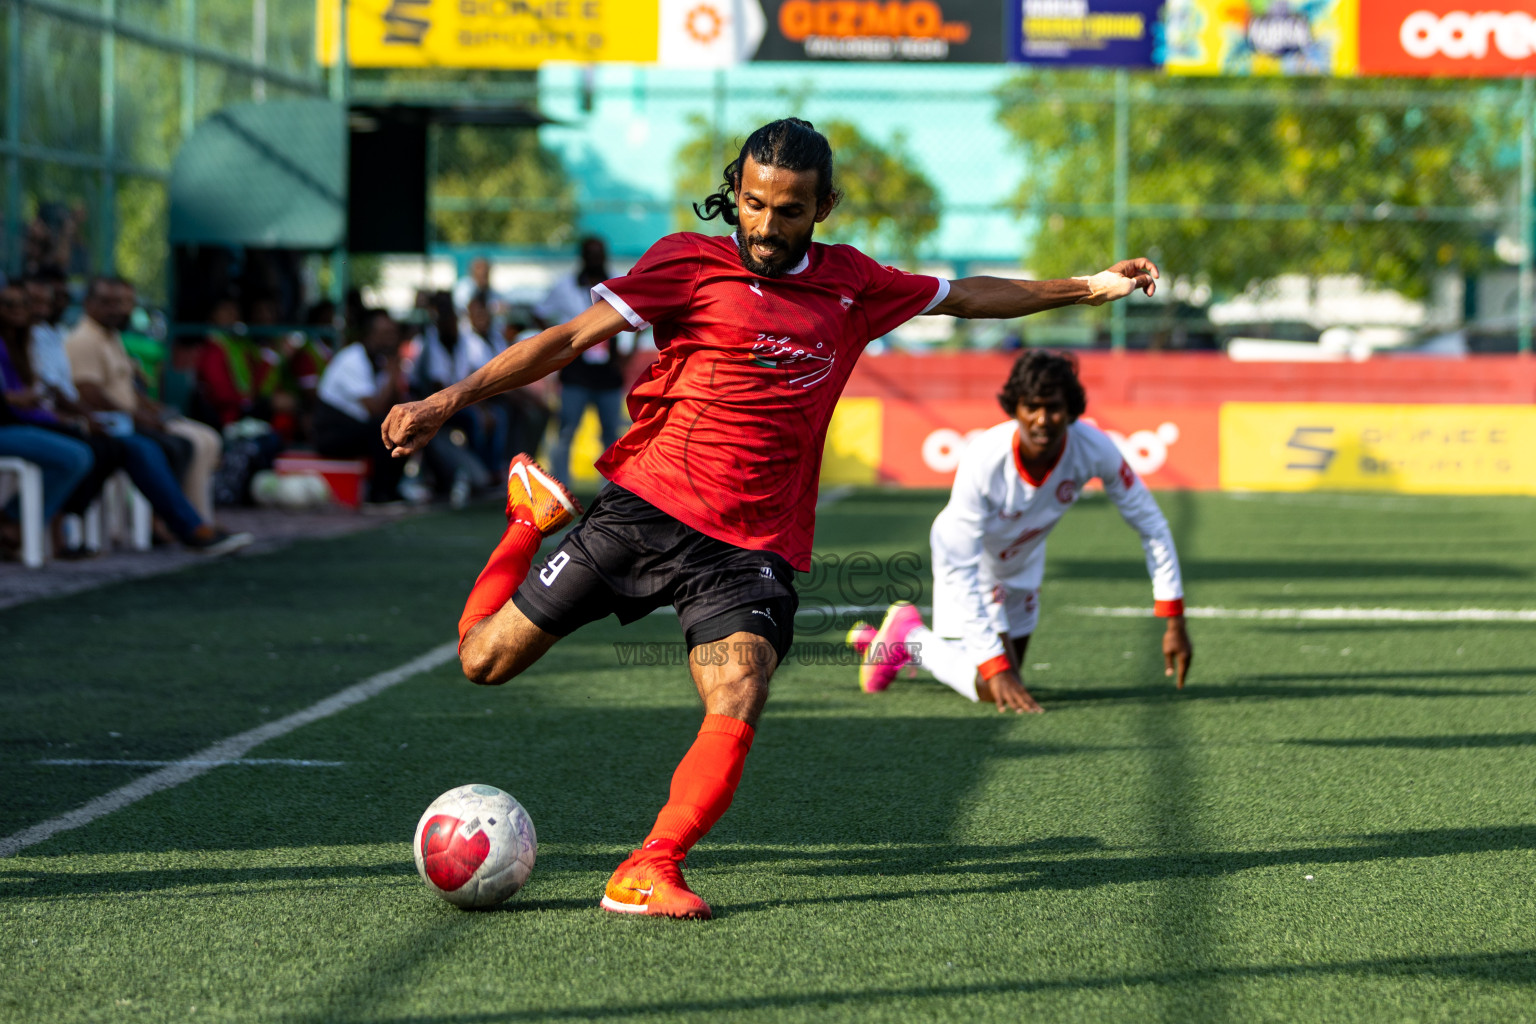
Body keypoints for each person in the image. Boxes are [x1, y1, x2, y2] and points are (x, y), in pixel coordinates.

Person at [380, 118, 1159, 920]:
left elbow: (965, 297)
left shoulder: (853, 282)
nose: (765, 226)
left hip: (746, 546)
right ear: (736, 194)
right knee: (483, 661)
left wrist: (1087, 288)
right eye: (752, 204)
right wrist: (447, 400)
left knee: (740, 686)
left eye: (789, 210)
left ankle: (650, 864)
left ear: (823, 206)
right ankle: (526, 519)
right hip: (644, 508)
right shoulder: (688, 260)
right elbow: (571, 337)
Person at [849, 350, 1192, 712]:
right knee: (992, 685)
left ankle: (901, 641)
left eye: (1054, 407)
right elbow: (961, 565)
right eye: (1032, 406)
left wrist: (1174, 617)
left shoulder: (1094, 447)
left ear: (1072, 410)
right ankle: (909, 632)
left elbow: (1151, 523)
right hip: (970, 562)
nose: (1042, 420)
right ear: (1016, 408)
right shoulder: (984, 458)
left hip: (1023, 565)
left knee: (1010, 675)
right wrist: (994, 666)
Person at [0, 281, 252, 556]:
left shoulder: (33, 341)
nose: (29, 309)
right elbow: (80, 391)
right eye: (13, 304)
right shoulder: (79, 339)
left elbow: (52, 392)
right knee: (92, 452)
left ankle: (190, 523)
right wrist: (80, 417)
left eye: (28, 303)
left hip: (42, 419)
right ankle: (21, 525)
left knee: (181, 442)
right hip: (21, 423)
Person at [66, 276, 223, 523]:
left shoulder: (111, 337)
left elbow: (127, 389)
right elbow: (89, 392)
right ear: (88, 304)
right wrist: (136, 415)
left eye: (122, 302)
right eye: (108, 302)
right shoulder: (83, 340)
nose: (117, 309)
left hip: (130, 418)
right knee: (183, 444)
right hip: (116, 424)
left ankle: (197, 518)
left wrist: (152, 409)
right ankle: (179, 522)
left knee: (207, 438)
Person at [534, 237, 635, 484]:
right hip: (575, 368)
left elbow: (637, 318)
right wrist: (556, 341)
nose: (594, 259)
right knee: (566, 431)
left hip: (608, 370)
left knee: (612, 434)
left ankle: (610, 489)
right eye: (590, 254)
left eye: (599, 254)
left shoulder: (616, 283)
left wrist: (626, 354)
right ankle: (558, 487)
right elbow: (539, 313)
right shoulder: (565, 286)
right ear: (582, 257)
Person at [315, 308, 408, 506]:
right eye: (385, 334)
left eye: (393, 333)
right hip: (331, 432)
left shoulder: (381, 361)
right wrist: (393, 373)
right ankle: (379, 495)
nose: (391, 339)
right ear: (370, 335)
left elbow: (396, 405)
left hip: (357, 427)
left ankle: (391, 490)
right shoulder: (352, 359)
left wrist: (395, 373)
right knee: (381, 429)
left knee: (408, 425)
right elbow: (375, 409)